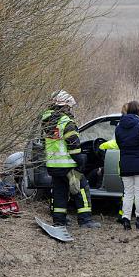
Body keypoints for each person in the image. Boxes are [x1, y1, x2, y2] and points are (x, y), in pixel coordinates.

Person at [41, 90, 100, 228]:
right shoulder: (66, 123)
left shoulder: (47, 122)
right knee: (82, 189)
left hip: (53, 165)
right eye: (69, 107)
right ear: (65, 106)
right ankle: (85, 220)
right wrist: (81, 161)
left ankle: (59, 220)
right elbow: (73, 145)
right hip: (68, 165)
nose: (70, 109)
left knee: (59, 192)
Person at [114, 100, 139, 230]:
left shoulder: (119, 127)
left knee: (128, 193)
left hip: (125, 163)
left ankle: (126, 219)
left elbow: (119, 144)